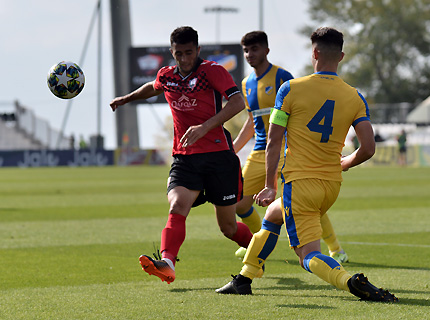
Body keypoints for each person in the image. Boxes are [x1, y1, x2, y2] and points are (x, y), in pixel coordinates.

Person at [216, 27, 398, 302]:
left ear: (314, 52)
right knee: (272, 217)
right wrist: (346, 163)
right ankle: (245, 277)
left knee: (307, 255)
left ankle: (350, 281)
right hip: (331, 186)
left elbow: (274, 141)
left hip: (299, 185)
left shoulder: (290, 88)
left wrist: (268, 186)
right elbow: (369, 148)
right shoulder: (354, 96)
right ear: (342, 56)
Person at [110, 26, 253, 284]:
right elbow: (153, 87)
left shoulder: (213, 71)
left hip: (218, 157)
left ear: (198, 50)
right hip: (185, 158)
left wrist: (205, 127)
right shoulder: (167, 75)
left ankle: (258, 248)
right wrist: (126, 98)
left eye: (189, 53)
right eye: (179, 53)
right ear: (171, 52)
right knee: (177, 205)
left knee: (228, 228)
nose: (184, 59)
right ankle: (167, 263)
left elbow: (237, 102)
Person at [232, 31, 349, 264]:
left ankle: (335, 249)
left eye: (254, 49)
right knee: (240, 203)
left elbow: (302, 108)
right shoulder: (246, 84)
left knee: (306, 201)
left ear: (266, 50)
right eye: (246, 50)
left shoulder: (282, 77)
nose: (249, 54)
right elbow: (251, 120)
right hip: (260, 151)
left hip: (289, 149)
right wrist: (232, 149)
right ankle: (257, 241)